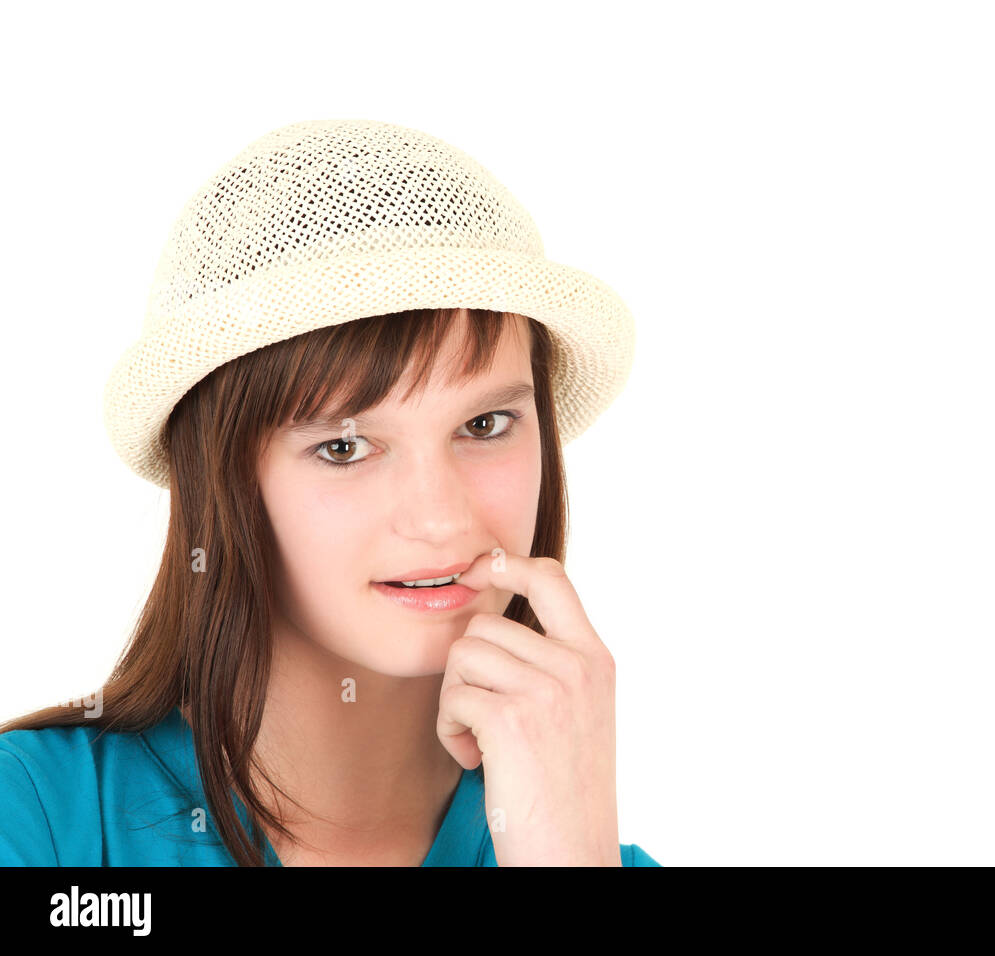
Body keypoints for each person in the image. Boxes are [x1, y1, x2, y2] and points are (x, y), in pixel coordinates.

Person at [0, 119, 658, 867]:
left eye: (484, 424)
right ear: (221, 484)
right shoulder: (37, 820)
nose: (440, 518)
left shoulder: (584, 854)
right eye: (344, 447)